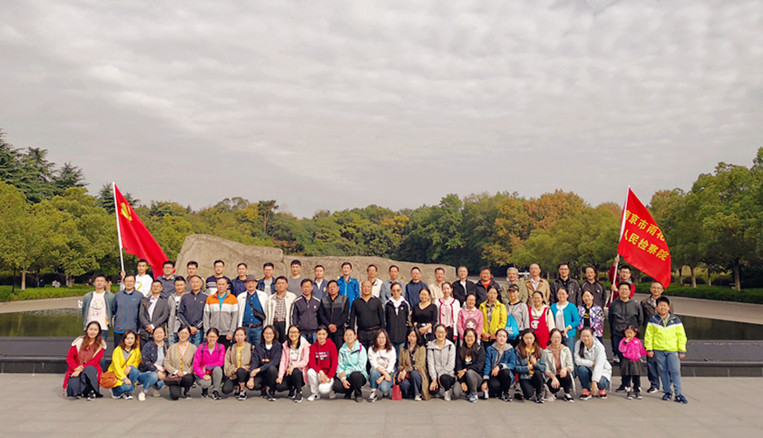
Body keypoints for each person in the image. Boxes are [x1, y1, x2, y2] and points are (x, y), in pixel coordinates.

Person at [645, 297, 688, 404]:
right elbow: (649, 336)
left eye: (665, 306)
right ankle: (667, 391)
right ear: (657, 307)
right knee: (663, 371)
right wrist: (649, 348)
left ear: (669, 307)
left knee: (675, 371)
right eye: (660, 306)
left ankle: (678, 393)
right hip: (659, 350)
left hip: (672, 350)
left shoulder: (675, 320)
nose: (662, 308)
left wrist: (682, 350)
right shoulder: (653, 320)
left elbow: (681, 336)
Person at [609, 283, 644, 390]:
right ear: (618, 291)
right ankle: (625, 383)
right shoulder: (614, 305)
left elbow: (640, 320)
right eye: (621, 289)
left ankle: (636, 384)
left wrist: (632, 332)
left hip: (631, 337)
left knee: (633, 361)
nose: (624, 291)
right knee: (622, 361)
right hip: (618, 336)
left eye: (626, 289)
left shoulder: (635, 305)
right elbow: (611, 320)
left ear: (629, 291)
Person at [641, 281, 672, 394]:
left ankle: (667, 385)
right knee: (651, 362)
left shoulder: (668, 302)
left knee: (666, 362)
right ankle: (654, 384)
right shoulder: (645, 302)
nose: (656, 290)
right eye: (654, 287)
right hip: (651, 334)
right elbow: (642, 318)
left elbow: (671, 318)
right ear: (650, 289)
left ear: (662, 290)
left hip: (665, 336)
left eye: (658, 288)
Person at [64, 321, 106, 400]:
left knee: (89, 369)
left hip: (91, 369)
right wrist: (75, 368)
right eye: (91, 329)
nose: (92, 332)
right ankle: (79, 391)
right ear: (87, 330)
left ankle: (91, 391)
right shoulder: (78, 342)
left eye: (95, 330)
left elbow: (94, 361)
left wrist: (81, 369)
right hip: (76, 369)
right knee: (74, 385)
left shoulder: (101, 344)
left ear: (98, 332)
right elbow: (69, 357)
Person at [575, 327, 612, 400]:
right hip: (588, 368)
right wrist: (592, 363)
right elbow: (577, 360)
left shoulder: (599, 347)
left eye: (588, 336)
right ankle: (586, 389)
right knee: (580, 369)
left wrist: (594, 381)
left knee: (601, 383)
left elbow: (599, 365)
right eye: (583, 336)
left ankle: (602, 388)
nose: (585, 338)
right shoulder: (578, 344)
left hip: (602, 370)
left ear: (592, 336)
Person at [332, 328, 368, 403]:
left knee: (355, 376)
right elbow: (340, 366)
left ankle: (358, 394)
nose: (348, 337)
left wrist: (346, 372)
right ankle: (348, 391)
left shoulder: (361, 349)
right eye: (346, 335)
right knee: (336, 386)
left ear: (355, 336)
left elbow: (361, 366)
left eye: (351, 335)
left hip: (359, 374)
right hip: (346, 375)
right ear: (344, 338)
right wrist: (343, 379)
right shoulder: (342, 350)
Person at [247, 325, 282, 401]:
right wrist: (251, 377)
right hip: (261, 374)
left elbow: (275, 362)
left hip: (272, 373)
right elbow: (254, 362)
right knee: (252, 385)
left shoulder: (278, 346)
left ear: (274, 334)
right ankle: (263, 388)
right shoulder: (258, 347)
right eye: (266, 333)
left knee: (272, 369)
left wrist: (259, 369)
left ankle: (272, 391)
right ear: (263, 334)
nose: (268, 336)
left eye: (270, 333)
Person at [276, 325, 310, 402]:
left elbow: (305, 361)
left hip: (300, 373)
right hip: (288, 372)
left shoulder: (305, 345)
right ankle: (292, 388)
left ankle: (299, 392)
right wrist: (280, 376)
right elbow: (283, 361)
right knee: (279, 387)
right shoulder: (286, 344)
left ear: (299, 333)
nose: (293, 334)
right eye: (291, 332)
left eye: (295, 332)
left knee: (295, 371)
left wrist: (293, 365)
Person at [203, 277, 239, 348]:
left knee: (225, 353)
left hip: (227, 333)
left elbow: (235, 317)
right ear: (216, 285)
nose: (221, 286)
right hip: (213, 333)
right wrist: (207, 332)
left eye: (223, 284)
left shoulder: (233, 299)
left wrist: (231, 332)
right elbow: (206, 316)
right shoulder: (210, 298)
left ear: (227, 286)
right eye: (219, 284)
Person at [163, 325, 197, 400]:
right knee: (174, 396)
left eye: (186, 333)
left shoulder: (193, 348)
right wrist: (176, 372)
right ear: (178, 334)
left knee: (188, 378)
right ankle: (177, 388)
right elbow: (166, 362)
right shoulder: (172, 347)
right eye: (181, 333)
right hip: (174, 376)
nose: (183, 335)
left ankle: (186, 390)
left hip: (187, 374)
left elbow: (195, 363)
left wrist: (185, 372)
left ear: (189, 335)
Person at [350, 280, 385, 351]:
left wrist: (383, 332)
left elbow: (382, 318)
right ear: (361, 288)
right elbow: (352, 319)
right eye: (364, 287)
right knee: (362, 353)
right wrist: (353, 333)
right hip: (361, 332)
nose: (366, 289)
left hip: (375, 332)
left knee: (374, 353)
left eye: (368, 287)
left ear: (371, 288)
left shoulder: (377, 301)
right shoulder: (356, 302)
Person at [481, 328, 515, 402]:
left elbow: (512, 365)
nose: (501, 338)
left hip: (505, 374)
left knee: (505, 371)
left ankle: (505, 392)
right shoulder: (490, 349)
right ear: (496, 337)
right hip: (494, 374)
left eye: (504, 336)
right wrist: (485, 380)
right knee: (494, 386)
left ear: (507, 338)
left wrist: (500, 366)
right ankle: (499, 391)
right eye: (499, 336)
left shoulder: (510, 349)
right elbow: (487, 365)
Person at [513, 328, 546, 403]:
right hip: (525, 377)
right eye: (526, 338)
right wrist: (526, 368)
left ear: (534, 338)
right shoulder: (518, 350)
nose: (529, 340)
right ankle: (522, 392)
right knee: (528, 395)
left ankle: (539, 394)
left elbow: (543, 368)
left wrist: (535, 364)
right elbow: (516, 368)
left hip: (535, 376)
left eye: (531, 338)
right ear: (523, 338)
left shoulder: (539, 350)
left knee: (538, 373)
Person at [306, 326, 338, 401]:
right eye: (319, 334)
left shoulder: (331, 345)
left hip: (328, 375)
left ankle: (331, 390)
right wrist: (320, 371)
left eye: (323, 334)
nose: (321, 336)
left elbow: (334, 363)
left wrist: (329, 377)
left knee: (323, 389)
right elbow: (311, 363)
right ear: (316, 335)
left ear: (327, 335)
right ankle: (315, 394)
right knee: (310, 371)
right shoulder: (313, 347)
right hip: (319, 373)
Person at [397, 328, 430, 401]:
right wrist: (401, 371)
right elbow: (400, 364)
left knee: (414, 374)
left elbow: (420, 365)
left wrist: (406, 370)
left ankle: (417, 393)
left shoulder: (421, 348)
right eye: (410, 336)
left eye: (414, 336)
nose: (411, 338)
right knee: (404, 385)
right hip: (407, 375)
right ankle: (410, 392)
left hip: (418, 373)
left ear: (417, 337)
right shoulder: (403, 349)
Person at [543, 329, 575, 402]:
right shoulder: (545, 351)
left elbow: (571, 366)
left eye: (558, 337)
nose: (556, 339)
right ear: (550, 338)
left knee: (566, 374)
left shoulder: (566, 349)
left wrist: (565, 369)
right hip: (552, 375)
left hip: (562, 374)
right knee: (553, 387)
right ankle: (554, 392)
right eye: (554, 337)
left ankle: (567, 393)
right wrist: (553, 378)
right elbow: (546, 368)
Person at [136, 325, 168, 401]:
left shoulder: (167, 346)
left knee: (162, 383)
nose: (159, 335)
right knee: (154, 376)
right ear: (153, 335)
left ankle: (154, 386)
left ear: (164, 334)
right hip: (148, 372)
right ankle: (143, 392)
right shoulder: (148, 345)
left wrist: (165, 373)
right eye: (156, 333)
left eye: (161, 333)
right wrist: (157, 371)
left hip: (163, 371)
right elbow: (145, 361)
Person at [454, 328, 485, 403]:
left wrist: (465, 370)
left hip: (476, 378)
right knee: (455, 392)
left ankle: (474, 393)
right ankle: (469, 392)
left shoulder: (480, 349)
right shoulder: (460, 350)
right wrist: (462, 382)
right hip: (464, 377)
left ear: (475, 338)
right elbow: (458, 367)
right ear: (464, 337)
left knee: (470, 372)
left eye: (471, 336)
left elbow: (479, 366)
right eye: (467, 336)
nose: (469, 338)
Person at [193, 328, 225, 400]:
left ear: (217, 337)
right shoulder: (201, 347)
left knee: (218, 369)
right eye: (210, 336)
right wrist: (203, 375)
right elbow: (195, 365)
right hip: (203, 372)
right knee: (205, 383)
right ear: (206, 337)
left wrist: (207, 366)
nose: (212, 339)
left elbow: (220, 362)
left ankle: (216, 391)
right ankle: (205, 389)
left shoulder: (221, 347)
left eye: (214, 337)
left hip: (213, 371)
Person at [112, 274, 143, 348]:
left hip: (132, 329)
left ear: (134, 282)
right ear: (123, 282)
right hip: (119, 329)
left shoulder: (139, 296)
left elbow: (141, 312)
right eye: (127, 281)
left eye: (131, 281)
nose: (129, 283)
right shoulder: (118, 295)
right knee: (118, 351)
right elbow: (114, 309)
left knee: (132, 352)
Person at [237, 274, 268, 346]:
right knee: (245, 347)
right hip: (245, 328)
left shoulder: (263, 296)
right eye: (248, 283)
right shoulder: (240, 297)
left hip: (258, 328)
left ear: (256, 284)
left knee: (258, 347)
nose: (250, 285)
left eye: (253, 283)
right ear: (245, 284)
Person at [108, 330, 141, 400]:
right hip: (117, 374)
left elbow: (137, 362)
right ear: (124, 339)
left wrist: (130, 366)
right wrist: (124, 378)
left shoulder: (136, 350)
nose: (130, 340)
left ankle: (129, 392)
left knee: (135, 371)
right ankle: (115, 392)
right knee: (126, 387)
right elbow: (116, 366)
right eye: (127, 338)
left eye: (132, 338)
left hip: (128, 372)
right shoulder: (117, 350)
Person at [427, 324, 456, 401]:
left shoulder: (451, 346)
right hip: (435, 375)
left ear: (446, 333)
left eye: (442, 332)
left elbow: (451, 365)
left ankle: (447, 391)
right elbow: (430, 364)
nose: (440, 335)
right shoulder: (431, 347)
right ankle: (439, 389)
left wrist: (439, 375)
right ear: (435, 333)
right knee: (432, 391)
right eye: (438, 332)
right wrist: (434, 379)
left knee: (444, 378)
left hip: (448, 374)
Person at [318, 279, 350, 350]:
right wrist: (329, 325)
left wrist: (336, 325)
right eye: (330, 287)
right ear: (327, 289)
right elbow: (321, 315)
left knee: (339, 351)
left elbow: (345, 315)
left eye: (334, 287)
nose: (332, 289)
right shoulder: (323, 300)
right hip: (327, 331)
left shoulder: (344, 300)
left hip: (339, 331)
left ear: (338, 288)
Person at [222, 327, 252, 400]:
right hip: (234, 374)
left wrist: (246, 368)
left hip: (246, 373)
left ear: (245, 336)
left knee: (241, 371)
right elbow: (227, 362)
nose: (239, 337)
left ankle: (242, 390)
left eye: (241, 335)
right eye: (237, 335)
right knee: (225, 390)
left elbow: (254, 363)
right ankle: (237, 385)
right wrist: (233, 369)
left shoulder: (251, 347)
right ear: (234, 336)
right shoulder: (231, 348)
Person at [265, 276, 297, 344]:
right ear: (275, 285)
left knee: (286, 343)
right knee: (274, 343)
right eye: (279, 283)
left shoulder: (292, 297)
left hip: (285, 323)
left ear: (286, 285)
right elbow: (267, 314)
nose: (281, 285)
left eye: (283, 283)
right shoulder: (270, 298)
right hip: (274, 323)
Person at [619, 325, 648, 400]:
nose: (629, 335)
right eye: (627, 333)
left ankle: (637, 390)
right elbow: (621, 350)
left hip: (636, 361)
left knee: (636, 376)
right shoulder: (623, 341)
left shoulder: (637, 341)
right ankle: (629, 391)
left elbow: (641, 350)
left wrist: (647, 353)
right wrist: (625, 343)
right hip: (627, 361)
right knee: (628, 376)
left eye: (631, 333)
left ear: (635, 333)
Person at [81, 274, 114, 341]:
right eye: (97, 281)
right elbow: (84, 310)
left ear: (105, 283)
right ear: (93, 283)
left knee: (101, 346)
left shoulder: (110, 296)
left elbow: (113, 310)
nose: (99, 283)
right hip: (89, 327)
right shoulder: (88, 296)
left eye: (102, 281)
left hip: (103, 327)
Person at [367, 329, 396, 402]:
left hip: (389, 372)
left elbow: (391, 365)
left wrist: (384, 376)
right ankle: (373, 392)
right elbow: (374, 364)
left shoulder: (391, 349)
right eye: (379, 338)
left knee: (384, 388)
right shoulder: (371, 349)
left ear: (386, 339)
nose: (381, 340)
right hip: (378, 371)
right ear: (375, 339)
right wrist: (384, 374)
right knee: (373, 370)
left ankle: (386, 391)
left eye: (383, 338)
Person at [384, 282, 410, 361]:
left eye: (398, 290)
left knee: (400, 360)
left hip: (402, 337)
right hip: (391, 337)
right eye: (394, 290)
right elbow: (385, 320)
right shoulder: (387, 304)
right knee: (391, 360)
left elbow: (407, 319)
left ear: (401, 291)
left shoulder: (405, 304)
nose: (396, 292)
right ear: (391, 291)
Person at [178, 274, 207, 346]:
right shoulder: (185, 297)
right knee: (185, 348)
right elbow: (180, 313)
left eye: (197, 282)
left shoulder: (206, 297)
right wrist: (188, 327)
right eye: (193, 282)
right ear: (190, 284)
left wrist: (196, 327)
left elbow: (206, 314)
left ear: (201, 283)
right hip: (186, 329)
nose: (195, 284)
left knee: (196, 350)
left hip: (199, 330)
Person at [550, 288, 581, 353]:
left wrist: (567, 328)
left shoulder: (572, 306)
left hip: (569, 334)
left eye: (563, 294)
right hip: (556, 335)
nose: (561, 296)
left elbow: (577, 321)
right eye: (559, 294)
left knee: (569, 353)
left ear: (567, 295)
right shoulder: (553, 307)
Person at [291, 279, 321, 343]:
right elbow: (294, 317)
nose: (306, 289)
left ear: (312, 287)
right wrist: (296, 329)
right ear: (301, 288)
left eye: (308, 287)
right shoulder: (297, 302)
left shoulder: (317, 301)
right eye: (304, 287)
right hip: (302, 332)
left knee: (314, 348)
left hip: (314, 332)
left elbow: (320, 316)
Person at [167, 276, 187, 344]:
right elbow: (168, 312)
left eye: (181, 285)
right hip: (172, 328)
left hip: (184, 329)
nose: (179, 287)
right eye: (177, 285)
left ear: (185, 285)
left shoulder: (188, 297)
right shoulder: (171, 297)